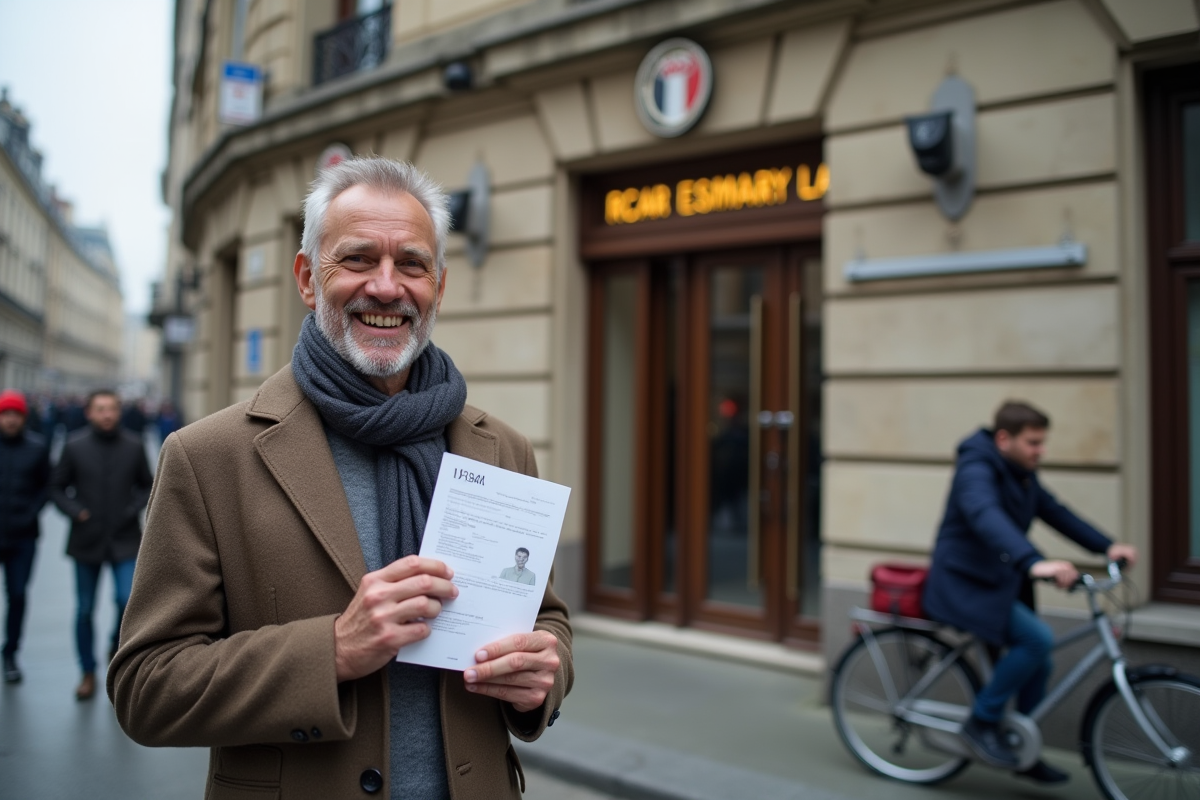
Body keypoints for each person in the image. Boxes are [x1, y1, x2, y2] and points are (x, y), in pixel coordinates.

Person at [108, 157, 572, 800]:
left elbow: (546, 619)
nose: (386, 288)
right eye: (357, 259)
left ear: (440, 285)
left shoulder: (502, 449)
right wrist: (330, 650)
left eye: (411, 264)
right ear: (306, 278)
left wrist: (545, 672)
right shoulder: (209, 457)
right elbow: (146, 687)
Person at [923, 401, 1137, 784]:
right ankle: (982, 722)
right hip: (965, 583)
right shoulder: (977, 467)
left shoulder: (1020, 472)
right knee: (1036, 639)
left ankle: (1021, 748)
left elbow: (1057, 513)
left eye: (1043, 443)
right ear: (1004, 439)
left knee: (1040, 660)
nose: (1041, 451)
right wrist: (1032, 561)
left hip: (995, 582)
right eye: (1033, 442)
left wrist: (1107, 546)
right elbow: (983, 513)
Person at [49, 389, 153, 700]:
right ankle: (87, 672)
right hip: (86, 539)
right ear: (90, 413)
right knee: (84, 609)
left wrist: (131, 510)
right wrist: (77, 512)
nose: (107, 414)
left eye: (112, 409)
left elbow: (147, 485)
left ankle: (114, 649)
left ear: (119, 412)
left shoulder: (134, 446)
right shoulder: (74, 445)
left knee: (125, 602)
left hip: (124, 538)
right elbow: (56, 487)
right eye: (100, 409)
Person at [0, 389, 50, 683]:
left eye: (15, 415)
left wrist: (30, 513)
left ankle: (11, 653)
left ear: (23, 417)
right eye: (5, 414)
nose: (10, 420)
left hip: (23, 537)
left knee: (17, 595)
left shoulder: (37, 447)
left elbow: (47, 485)